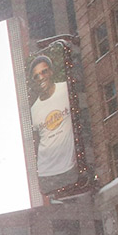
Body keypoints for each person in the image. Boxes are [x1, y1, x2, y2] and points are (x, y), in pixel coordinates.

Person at [29, 53, 76, 188]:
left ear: (51, 71)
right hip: (46, 173)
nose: (41, 77)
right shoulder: (34, 110)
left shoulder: (66, 89)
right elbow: (35, 142)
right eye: (36, 76)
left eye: (44, 72)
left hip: (70, 168)